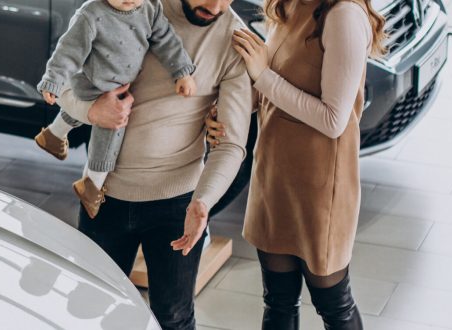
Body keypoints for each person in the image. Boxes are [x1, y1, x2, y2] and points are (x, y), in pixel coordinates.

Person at [54, 0, 251, 328]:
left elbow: (232, 144)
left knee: (173, 316)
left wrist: (203, 202)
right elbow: (58, 79)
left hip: (177, 205)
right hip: (104, 197)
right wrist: (90, 111)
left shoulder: (235, 40)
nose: (215, 6)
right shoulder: (128, 5)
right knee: (88, 307)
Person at [207, 0, 386, 328]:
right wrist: (231, 110)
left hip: (320, 187)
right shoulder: (288, 5)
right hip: (274, 173)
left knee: (334, 304)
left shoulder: (343, 15)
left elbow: (333, 120)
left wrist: (261, 75)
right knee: (277, 301)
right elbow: (274, 83)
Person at [33, 0, 198, 218]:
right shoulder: (91, 14)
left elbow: (166, 40)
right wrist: (53, 80)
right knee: (113, 125)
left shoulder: (150, 8)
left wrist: (182, 72)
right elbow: (68, 52)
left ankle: (53, 135)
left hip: (116, 83)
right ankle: (91, 186)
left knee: (87, 115)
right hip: (93, 82)